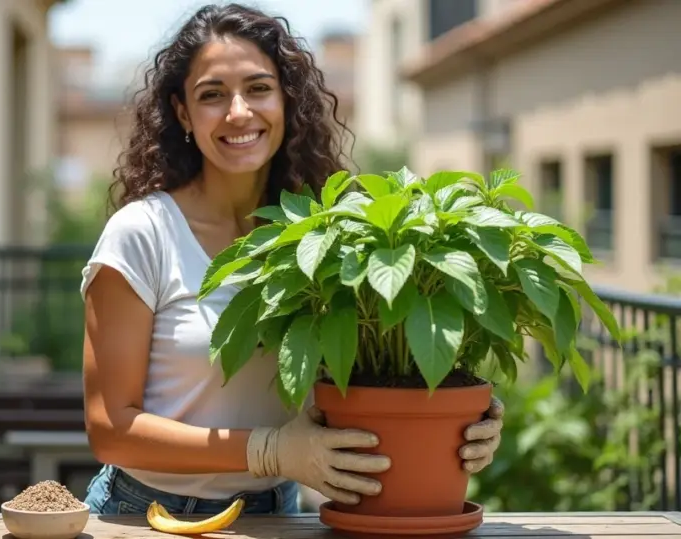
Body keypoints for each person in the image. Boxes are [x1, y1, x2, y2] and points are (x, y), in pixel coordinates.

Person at [78, 3, 504, 516]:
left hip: (277, 511)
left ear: (287, 99)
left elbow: (374, 366)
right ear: (183, 113)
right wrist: (268, 449)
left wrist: (460, 411)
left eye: (258, 88)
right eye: (212, 95)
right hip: (145, 513)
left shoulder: (326, 234)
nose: (239, 112)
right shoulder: (143, 233)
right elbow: (110, 429)